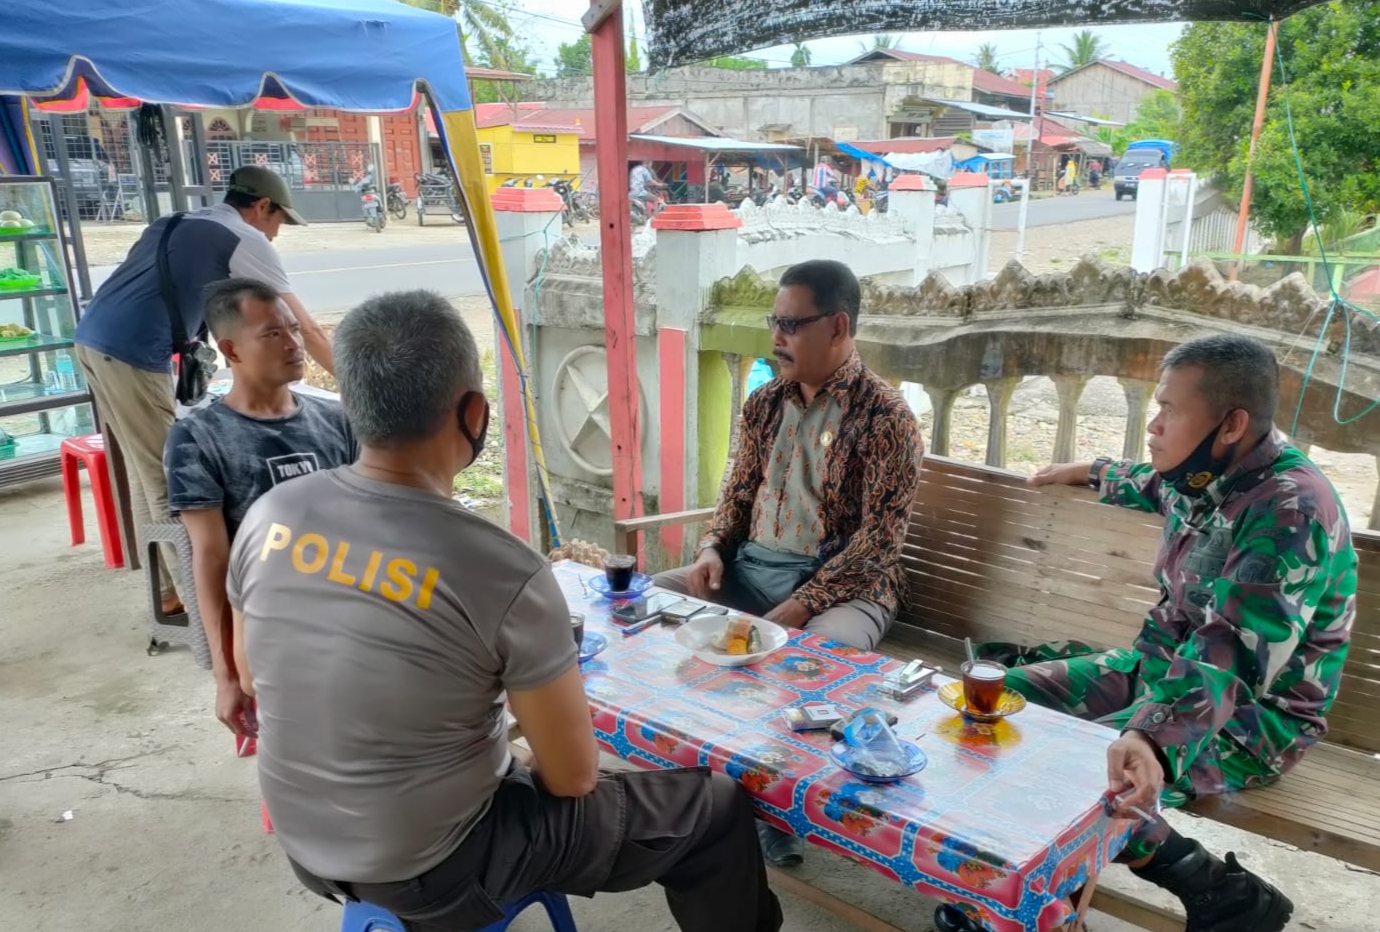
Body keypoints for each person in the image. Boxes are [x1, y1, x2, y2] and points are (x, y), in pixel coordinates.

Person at [227, 290, 782, 932]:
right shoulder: (497, 567)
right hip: (438, 867)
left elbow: (248, 674)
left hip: (305, 844)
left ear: (351, 400)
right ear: (474, 414)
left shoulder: (271, 514)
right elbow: (573, 778)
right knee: (710, 808)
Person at [945, 334, 1356, 932]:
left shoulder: (1291, 511)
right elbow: (1151, 481)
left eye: (1168, 410)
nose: (1154, 425)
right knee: (988, 702)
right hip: (1156, 669)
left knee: (1076, 773)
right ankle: (1025, 876)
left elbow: (1233, 649)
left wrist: (1153, 737)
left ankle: (1190, 894)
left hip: (1250, 716)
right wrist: (1089, 471)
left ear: (1231, 423)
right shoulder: (1206, 475)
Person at [654, 259, 922, 867]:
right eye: (774, 322)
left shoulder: (886, 417)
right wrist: (711, 550)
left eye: (792, 324)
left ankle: (778, 807)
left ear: (839, 326)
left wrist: (800, 608)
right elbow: (737, 493)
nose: (777, 337)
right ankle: (700, 781)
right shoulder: (764, 403)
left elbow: (880, 542)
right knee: (652, 609)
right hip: (751, 573)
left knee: (813, 665)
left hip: (847, 590)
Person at [74, 166, 333, 617]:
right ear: (262, 207)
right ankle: (198, 607)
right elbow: (302, 327)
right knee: (171, 479)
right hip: (133, 352)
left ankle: (168, 593)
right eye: (278, 222)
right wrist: (355, 388)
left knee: (143, 470)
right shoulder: (244, 240)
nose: (275, 235)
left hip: (94, 341)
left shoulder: (174, 222)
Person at [165, 278, 354, 740]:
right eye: (273, 334)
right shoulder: (198, 439)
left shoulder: (336, 421)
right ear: (231, 350)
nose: (294, 344)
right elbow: (211, 558)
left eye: (293, 328)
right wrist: (226, 675)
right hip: (270, 640)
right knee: (295, 763)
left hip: (348, 627)